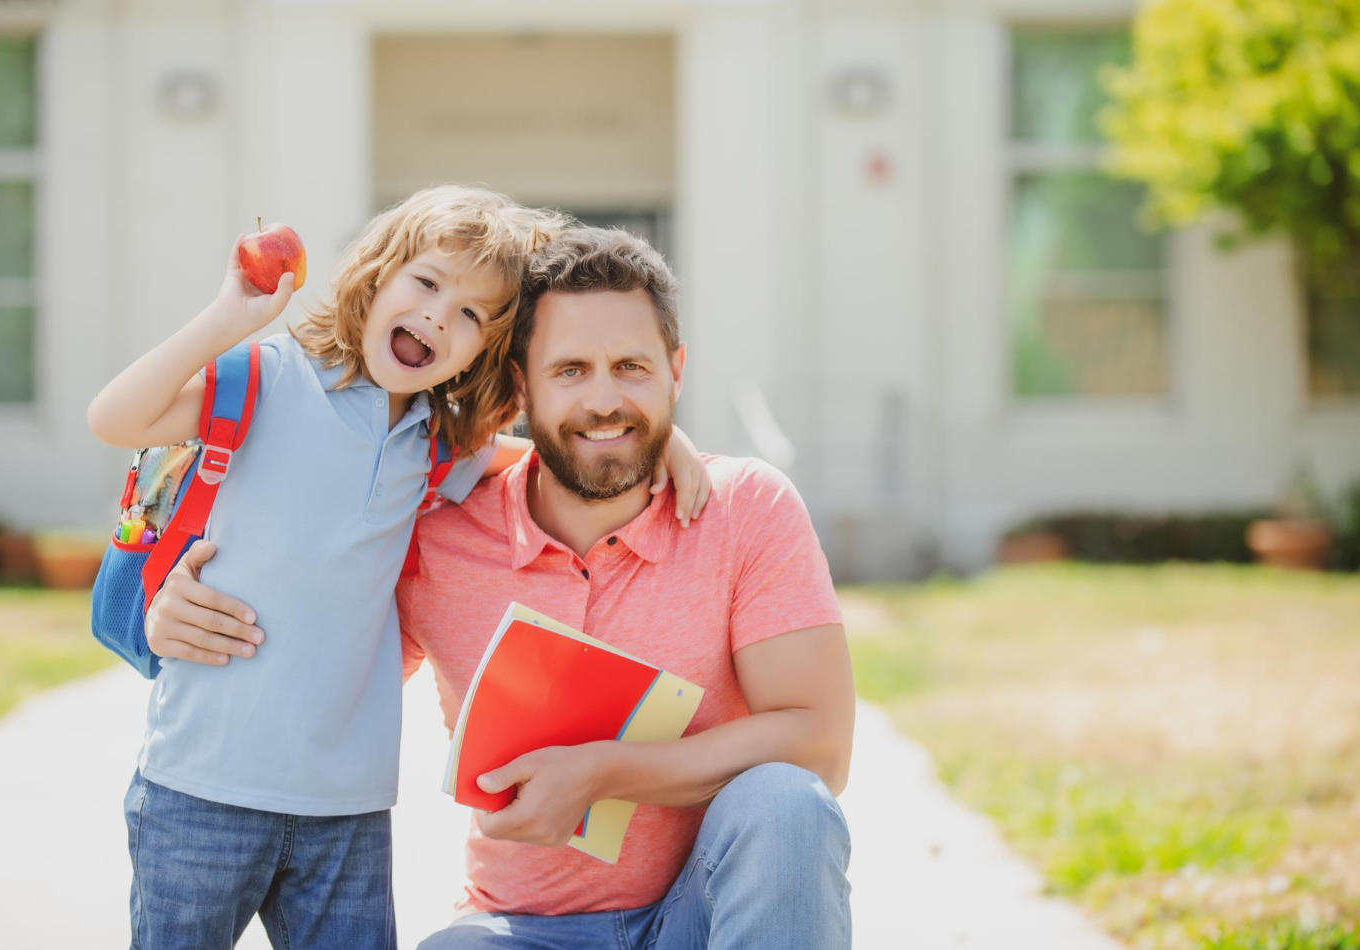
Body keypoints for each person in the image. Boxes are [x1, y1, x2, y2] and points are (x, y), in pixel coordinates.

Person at [147, 227, 856, 950]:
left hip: (701, 918)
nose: (605, 400)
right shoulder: (435, 534)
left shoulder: (746, 508)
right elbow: (312, 636)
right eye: (571, 370)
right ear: (521, 388)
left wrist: (606, 771)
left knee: (786, 804)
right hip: (519, 930)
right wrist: (179, 609)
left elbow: (820, 744)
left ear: (676, 371)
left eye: (632, 368)